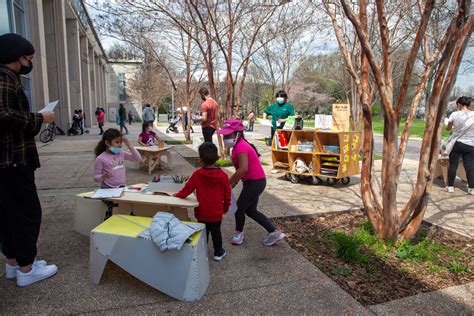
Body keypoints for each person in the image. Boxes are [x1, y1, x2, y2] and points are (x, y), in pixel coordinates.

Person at [0, 33, 58, 287]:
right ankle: (27, 268)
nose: (30, 62)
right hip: (13, 160)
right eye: (29, 57)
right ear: (17, 57)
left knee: (9, 214)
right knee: (26, 214)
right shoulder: (4, 78)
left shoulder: (7, 78)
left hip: (8, 160)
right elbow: (3, 115)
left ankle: (14, 264)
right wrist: (39, 118)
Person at [219, 119, 285, 246]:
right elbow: (240, 171)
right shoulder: (238, 146)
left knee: (239, 210)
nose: (225, 137)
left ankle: (238, 235)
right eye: (224, 135)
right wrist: (232, 184)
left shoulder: (241, 147)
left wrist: (227, 183)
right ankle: (273, 232)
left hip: (254, 182)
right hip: (255, 182)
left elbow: (243, 169)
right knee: (250, 210)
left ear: (238, 134)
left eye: (228, 135)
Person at [174, 142, 231, 261]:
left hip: (202, 211)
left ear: (200, 159)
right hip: (216, 212)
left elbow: (187, 190)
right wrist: (225, 208)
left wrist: (177, 195)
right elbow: (227, 195)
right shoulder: (223, 176)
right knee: (216, 232)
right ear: (217, 157)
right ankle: (218, 252)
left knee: (203, 233)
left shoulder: (197, 174)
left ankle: (202, 252)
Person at [445, 96, 474, 194]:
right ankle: (471, 188)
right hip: (471, 144)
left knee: (453, 165)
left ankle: (450, 186)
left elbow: (448, 128)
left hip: (457, 143)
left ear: (459, 104)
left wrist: (450, 125)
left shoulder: (455, 114)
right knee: (470, 166)